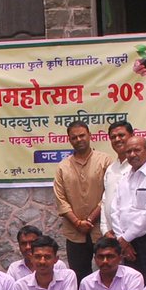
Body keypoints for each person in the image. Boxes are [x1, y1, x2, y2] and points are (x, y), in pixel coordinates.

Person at [52, 120, 112, 281]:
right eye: (74, 137)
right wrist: (78, 223)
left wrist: (90, 220)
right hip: (74, 233)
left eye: (82, 136)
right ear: (69, 139)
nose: (79, 140)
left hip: (102, 230)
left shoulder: (105, 161)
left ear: (90, 136)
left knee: (108, 272)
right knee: (78, 276)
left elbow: (110, 195)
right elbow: (60, 199)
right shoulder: (62, 167)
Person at [112, 137, 146, 280]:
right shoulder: (124, 178)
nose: (132, 154)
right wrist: (122, 240)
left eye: (137, 150)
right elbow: (115, 210)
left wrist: (126, 238)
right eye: (128, 151)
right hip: (126, 243)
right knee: (132, 284)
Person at [99, 121, 133, 238]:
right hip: (112, 237)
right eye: (113, 137)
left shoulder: (141, 167)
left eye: (121, 135)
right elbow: (105, 201)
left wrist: (126, 236)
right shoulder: (111, 169)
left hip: (134, 238)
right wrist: (105, 230)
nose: (117, 139)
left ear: (132, 136)